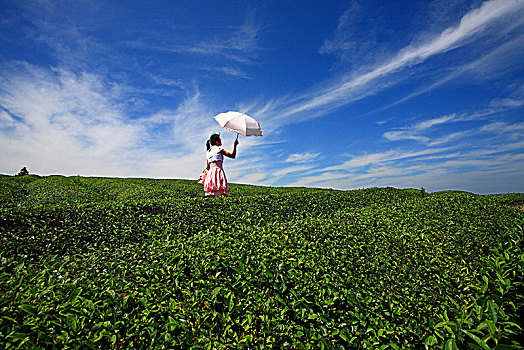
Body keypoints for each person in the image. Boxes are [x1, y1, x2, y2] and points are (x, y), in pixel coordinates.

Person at [204, 133, 238, 197]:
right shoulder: (219, 149)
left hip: (211, 174)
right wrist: (235, 145)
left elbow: (208, 167)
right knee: (222, 192)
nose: (221, 141)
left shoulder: (208, 152)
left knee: (211, 194)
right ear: (217, 142)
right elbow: (232, 156)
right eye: (220, 140)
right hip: (218, 172)